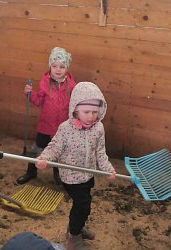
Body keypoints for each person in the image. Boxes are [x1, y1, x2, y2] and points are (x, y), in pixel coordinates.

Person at [35, 81, 117, 250]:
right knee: (82, 204)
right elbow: (54, 147)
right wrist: (44, 158)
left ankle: (77, 227)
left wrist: (108, 168)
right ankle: (73, 235)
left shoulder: (98, 128)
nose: (91, 116)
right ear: (75, 109)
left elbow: (100, 152)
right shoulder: (66, 129)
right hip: (71, 177)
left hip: (88, 175)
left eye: (95, 112)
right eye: (86, 112)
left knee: (84, 205)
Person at [16, 47, 76, 185]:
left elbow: (74, 105)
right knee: (38, 148)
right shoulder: (45, 82)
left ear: (67, 68)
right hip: (45, 123)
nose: (58, 69)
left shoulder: (72, 85)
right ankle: (31, 172)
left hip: (62, 125)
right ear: (50, 66)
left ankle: (58, 174)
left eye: (62, 66)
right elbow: (39, 101)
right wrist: (30, 94)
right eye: (54, 66)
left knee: (60, 150)